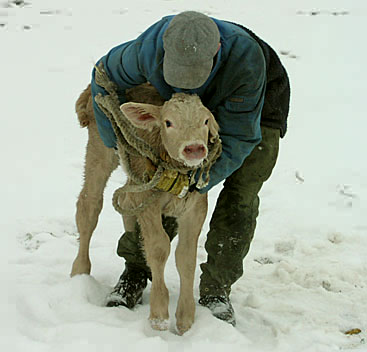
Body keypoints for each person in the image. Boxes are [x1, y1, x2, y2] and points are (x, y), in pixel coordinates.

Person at [91, 11, 290, 326]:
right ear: (164, 54)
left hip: (255, 111)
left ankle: (216, 289)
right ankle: (137, 270)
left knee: (241, 192)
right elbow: (103, 81)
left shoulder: (244, 60)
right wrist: (117, 144)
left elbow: (240, 136)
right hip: (182, 109)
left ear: (217, 53)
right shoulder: (148, 47)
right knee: (157, 185)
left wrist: (197, 181)